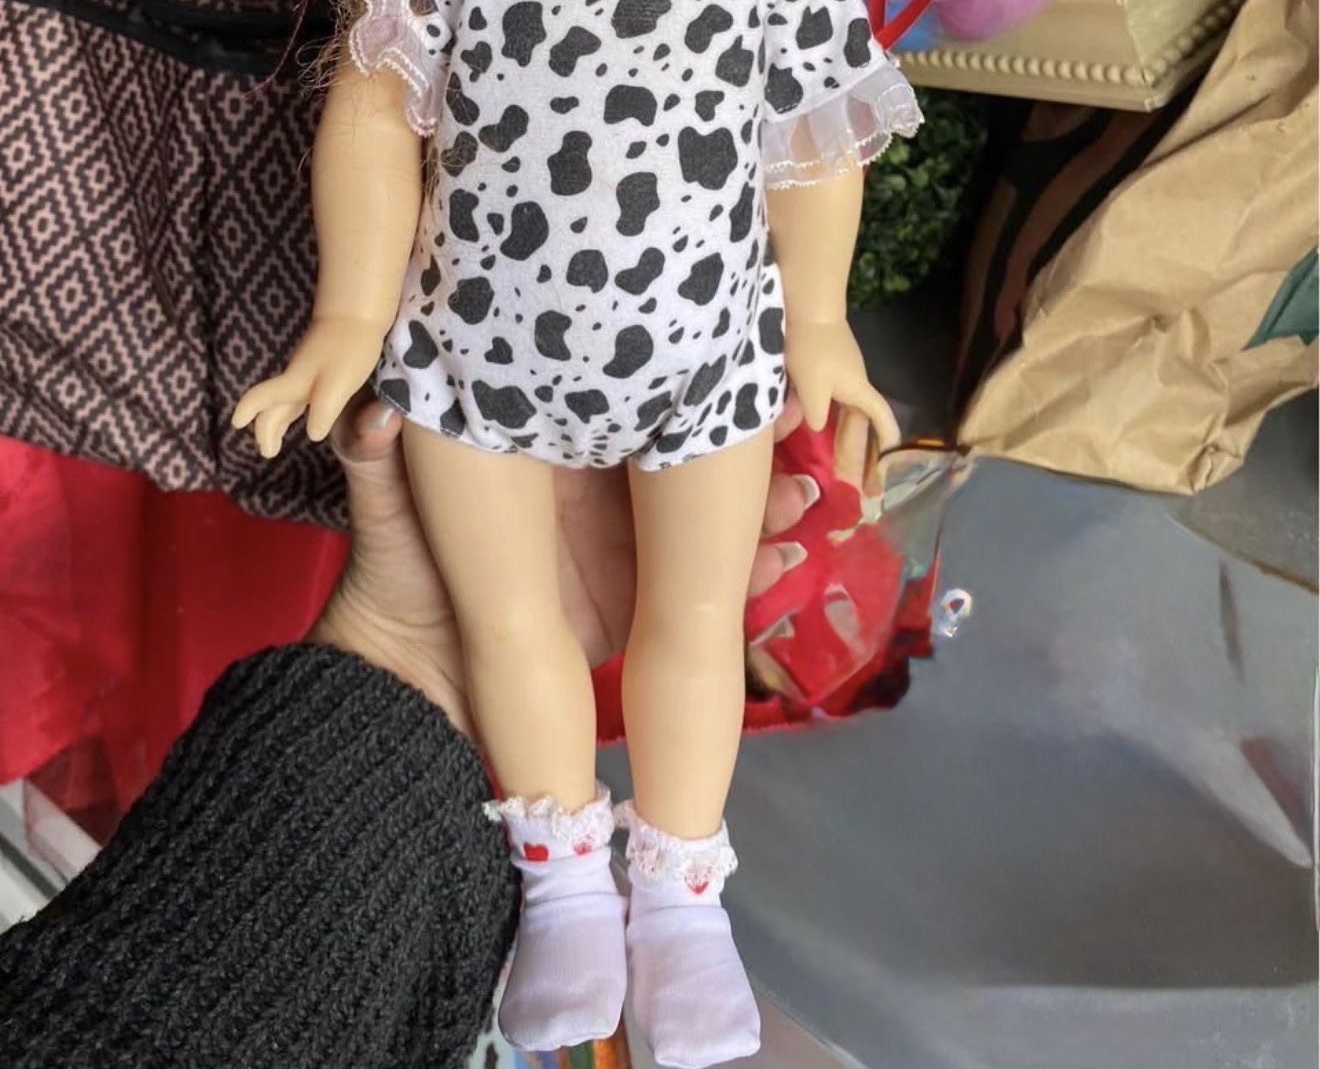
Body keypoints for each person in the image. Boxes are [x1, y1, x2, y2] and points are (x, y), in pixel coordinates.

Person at [0, 394, 815, 1069]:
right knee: (512, 618)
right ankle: (568, 894)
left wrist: (813, 326)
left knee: (692, 620)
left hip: (689, 343)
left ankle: (683, 911)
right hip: (489, 335)